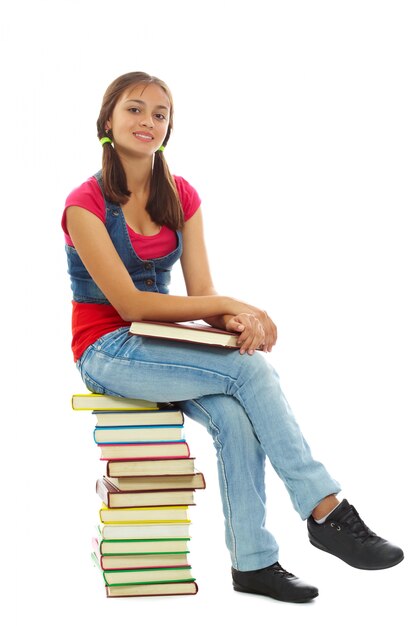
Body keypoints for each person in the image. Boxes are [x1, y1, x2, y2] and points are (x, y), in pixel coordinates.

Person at [62, 71, 403, 603]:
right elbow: (130, 305)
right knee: (251, 372)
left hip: (162, 342)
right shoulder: (84, 204)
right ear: (107, 121)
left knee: (236, 417)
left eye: (160, 113)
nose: (147, 121)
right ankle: (326, 510)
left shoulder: (180, 195)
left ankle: (254, 564)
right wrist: (229, 306)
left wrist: (239, 324)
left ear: (169, 129)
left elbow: (200, 291)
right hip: (108, 350)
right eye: (134, 109)